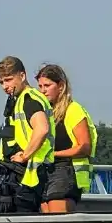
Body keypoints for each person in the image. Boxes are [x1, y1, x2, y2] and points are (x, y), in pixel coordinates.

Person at [0, 55, 54, 213]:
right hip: (19, 174)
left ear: (22, 76)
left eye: (8, 79)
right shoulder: (19, 100)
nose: (5, 86)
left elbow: (42, 128)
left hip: (26, 175)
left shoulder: (29, 99)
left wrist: (25, 155)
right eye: (1, 82)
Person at [35, 64, 97, 213]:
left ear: (61, 86)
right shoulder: (45, 113)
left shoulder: (73, 110)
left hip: (66, 170)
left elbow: (85, 147)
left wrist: (53, 155)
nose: (43, 90)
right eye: (40, 86)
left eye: (47, 85)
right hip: (45, 172)